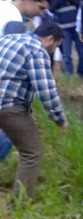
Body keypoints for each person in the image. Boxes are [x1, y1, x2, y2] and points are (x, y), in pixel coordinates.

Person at [0, 22, 68, 200]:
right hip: (9, 105)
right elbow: (46, 91)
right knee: (32, 152)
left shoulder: (7, 40)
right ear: (50, 39)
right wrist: (59, 119)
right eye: (55, 47)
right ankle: (19, 205)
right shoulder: (36, 50)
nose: (53, 51)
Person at [51, 0, 83, 77]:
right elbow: (51, 9)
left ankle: (80, 73)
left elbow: (81, 6)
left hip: (76, 28)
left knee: (82, 52)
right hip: (63, 29)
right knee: (66, 54)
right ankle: (68, 75)